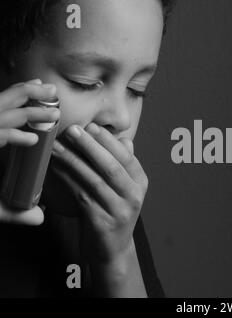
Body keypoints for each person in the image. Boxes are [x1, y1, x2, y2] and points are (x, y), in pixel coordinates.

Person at [0, 0, 176, 297]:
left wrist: (119, 262)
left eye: (137, 89)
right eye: (84, 81)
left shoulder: (102, 210)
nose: (121, 118)